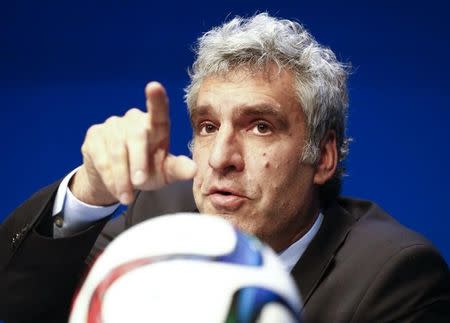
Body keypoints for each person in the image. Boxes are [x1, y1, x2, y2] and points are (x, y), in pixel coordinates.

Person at [0, 13, 449, 322]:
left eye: (260, 127)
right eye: (209, 126)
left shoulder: (392, 277)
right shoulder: (161, 216)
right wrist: (89, 192)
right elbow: (22, 305)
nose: (220, 159)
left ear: (323, 157)